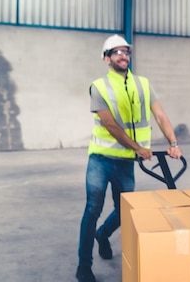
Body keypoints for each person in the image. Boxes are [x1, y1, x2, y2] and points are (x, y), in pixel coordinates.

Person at [75, 34, 182, 282]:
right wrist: (138, 148)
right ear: (106, 58)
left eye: (126, 52)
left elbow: (161, 116)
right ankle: (84, 265)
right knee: (93, 208)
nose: (124, 55)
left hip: (126, 162)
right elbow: (110, 124)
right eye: (117, 52)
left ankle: (103, 234)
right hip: (101, 159)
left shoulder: (143, 83)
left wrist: (173, 143)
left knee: (125, 211)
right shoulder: (99, 86)